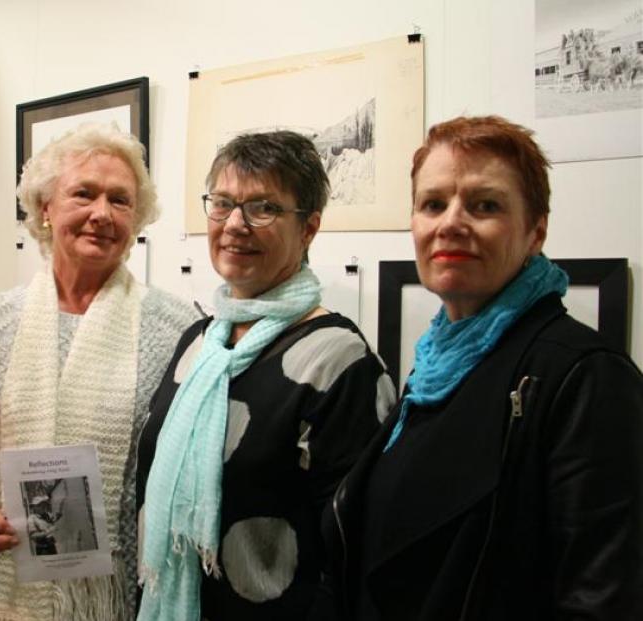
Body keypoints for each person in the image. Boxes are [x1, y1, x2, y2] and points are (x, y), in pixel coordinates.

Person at [321, 115, 643, 620]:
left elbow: (603, 598)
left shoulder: (584, 377)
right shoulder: (434, 367)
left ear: (536, 231)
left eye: (484, 204)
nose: (450, 222)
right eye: (433, 204)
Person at [0, 123, 197, 620]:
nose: (102, 214)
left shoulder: (178, 329)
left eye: (120, 200)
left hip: (125, 601)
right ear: (45, 208)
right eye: (84, 194)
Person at [136, 131, 397, 620]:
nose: (235, 224)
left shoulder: (341, 362)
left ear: (309, 228)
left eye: (263, 208)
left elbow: (358, 550)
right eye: (223, 203)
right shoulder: (198, 341)